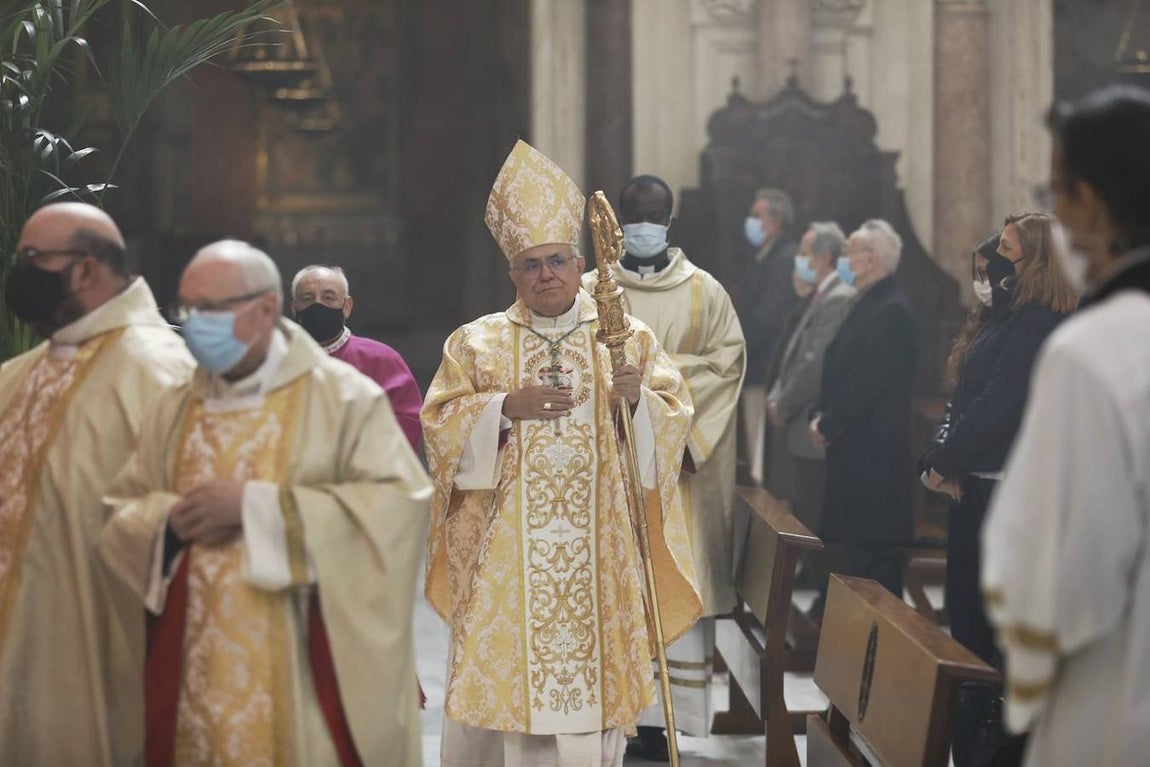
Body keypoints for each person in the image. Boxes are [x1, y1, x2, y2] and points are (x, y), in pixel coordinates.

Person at [98, 240, 431, 767]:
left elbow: (395, 506)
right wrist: (167, 521)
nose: (196, 324)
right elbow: (120, 512)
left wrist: (257, 510)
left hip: (302, 670)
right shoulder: (174, 404)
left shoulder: (344, 398)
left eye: (213, 308)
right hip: (195, 666)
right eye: (189, 309)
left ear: (267, 309)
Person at [422, 141, 701, 767]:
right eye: (531, 265)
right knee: (502, 676)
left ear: (580, 266)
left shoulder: (624, 338)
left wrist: (637, 401)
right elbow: (438, 427)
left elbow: (672, 420)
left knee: (593, 680)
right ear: (513, 275)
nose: (546, 274)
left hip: (599, 545)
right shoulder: (476, 343)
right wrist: (502, 408)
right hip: (505, 552)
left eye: (556, 261)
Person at [982, 85, 1150, 767]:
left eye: (1056, 190)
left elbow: (1057, 578)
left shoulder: (1095, 352)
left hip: (1119, 694)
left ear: (1089, 201)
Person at [0, 202, 194, 766]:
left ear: (85, 269)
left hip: (97, 660)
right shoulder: (15, 377)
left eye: (32, 259)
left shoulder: (163, 374)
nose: (19, 273)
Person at [582, 174, 745, 758]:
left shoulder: (705, 291)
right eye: (635, 216)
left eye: (655, 216)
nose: (645, 226)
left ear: (671, 222)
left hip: (678, 478)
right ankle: (616, 715)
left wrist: (656, 395)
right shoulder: (588, 292)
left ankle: (663, 725)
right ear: (618, 224)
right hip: (612, 467)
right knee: (616, 586)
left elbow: (727, 366)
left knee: (672, 574)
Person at [919, 216, 1075, 767]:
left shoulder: (1038, 321)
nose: (995, 259)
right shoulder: (1006, 316)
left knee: (995, 637)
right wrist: (940, 459)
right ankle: (973, 746)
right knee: (970, 633)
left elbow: (1000, 406)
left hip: (1010, 495)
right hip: (981, 487)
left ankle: (994, 751)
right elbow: (965, 396)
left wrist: (944, 463)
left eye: (1007, 249)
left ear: (1036, 260)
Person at [809, 219, 918, 602]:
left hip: (874, 458)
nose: (844, 259)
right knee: (853, 552)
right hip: (857, 451)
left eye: (849, 251)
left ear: (870, 258)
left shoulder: (891, 310)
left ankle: (880, 637)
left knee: (874, 560)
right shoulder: (871, 301)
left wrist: (829, 422)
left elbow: (866, 381)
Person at [766, 222, 856, 593]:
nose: (799, 259)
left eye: (804, 252)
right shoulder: (822, 294)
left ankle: (827, 593)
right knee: (805, 508)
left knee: (818, 513)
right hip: (800, 423)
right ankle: (815, 581)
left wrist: (783, 401)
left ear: (823, 256)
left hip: (809, 420)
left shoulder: (837, 297)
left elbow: (814, 362)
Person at [291, 264, 422, 451]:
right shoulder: (278, 359)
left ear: (347, 306)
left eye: (328, 297)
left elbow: (405, 423)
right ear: (294, 308)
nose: (317, 305)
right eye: (307, 298)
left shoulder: (381, 359)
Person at [736, 188, 799, 485]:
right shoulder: (765, 256)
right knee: (756, 454)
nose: (750, 221)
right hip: (759, 367)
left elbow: (769, 318)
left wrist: (736, 345)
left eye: (756, 215)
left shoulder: (784, 259)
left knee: (762, 459)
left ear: (776, 220)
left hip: (766, 368)